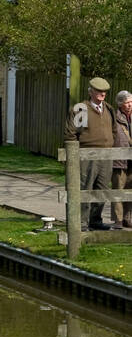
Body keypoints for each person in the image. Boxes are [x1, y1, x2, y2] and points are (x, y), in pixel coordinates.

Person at [64, 76, 116, 230]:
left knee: (102, 189)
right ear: (91, 92)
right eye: (99, 91)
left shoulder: (109, 109)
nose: (102, 94)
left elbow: (113, 131)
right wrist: (74, 156)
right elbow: (72, 134)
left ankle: (95, 220)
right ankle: (81, 222)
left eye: (104, 92)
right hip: (87, 155)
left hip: (106, 155)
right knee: (85, 187)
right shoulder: (82, 108)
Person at [114, 90, 132, 228]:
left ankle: (128, 218)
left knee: (130, 189)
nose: (130, 105)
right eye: (127, 102)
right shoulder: (114, 118)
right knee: (118, 189)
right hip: (119, 159)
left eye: (131, 102)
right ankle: (118, 220)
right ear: (120, 104)